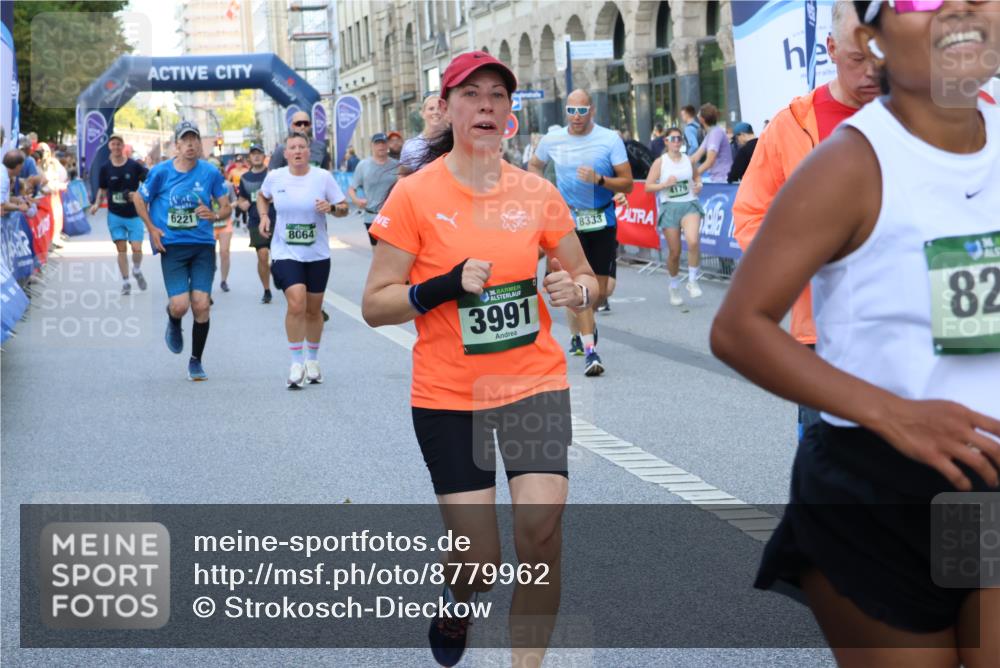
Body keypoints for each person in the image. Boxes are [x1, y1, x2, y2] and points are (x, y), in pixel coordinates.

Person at [711, 2, 1000, 666]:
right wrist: (894, 415)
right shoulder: (851, 163)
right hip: (878, 494)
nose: (957, 6)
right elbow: (737, 327)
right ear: (872, 38)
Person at [362, 51, 598, 668]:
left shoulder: (537, 193)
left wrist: (580, 291)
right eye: (472, 94)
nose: (487, 105)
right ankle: (457, 601)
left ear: (510, 115)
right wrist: (445, 285)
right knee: (479, 558)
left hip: (533, 384)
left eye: (498, 96)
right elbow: (376, 304)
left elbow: (585, 275)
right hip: (449, 395)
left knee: (542, 533)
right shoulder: (414, 195)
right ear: (447, 108)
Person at [733, 0, 880, 438]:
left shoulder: (921, 117)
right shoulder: (791, 125)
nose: (870, 71)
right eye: (857, 58)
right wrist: (803, 262)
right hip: (822, 330)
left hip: (912, 326)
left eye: (879, 56)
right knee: (829, 469)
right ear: (831, 49)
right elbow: (750, 215)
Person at [529, 89, 634, 376]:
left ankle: (582, 325)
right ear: (566, 112)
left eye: (582, 110)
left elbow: (627, 184)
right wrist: (546, 193)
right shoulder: (553, 139)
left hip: (602, 219)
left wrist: (600, 179)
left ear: (592, 111)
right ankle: (591, 350)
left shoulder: (609, 139)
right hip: (567, 221)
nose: (576, 117)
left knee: (601, 290)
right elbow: (535, 165)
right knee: (579, 281)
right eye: (571, 111)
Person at [134, 121, 231, 381]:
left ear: (200, 144)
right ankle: (174, 321)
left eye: (195, 140)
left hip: (202, 246)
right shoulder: (161, 172)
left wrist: (214, 214)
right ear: (176, 145)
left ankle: (196, 361)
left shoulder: (210, 173)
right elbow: (138, 198)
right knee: (180, 306)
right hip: (173, 246)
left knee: (201, 305)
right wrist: (152, 228)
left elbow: (226, 207)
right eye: (185, 140)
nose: (191, 144)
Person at [258, 132, 348, 388]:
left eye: (302, 147)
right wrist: (264, 216)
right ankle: (296, 362)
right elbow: (262, 196)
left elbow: (344, 208)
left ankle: (313, 359)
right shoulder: (276, 177)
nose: (297, 151)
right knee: (296, 302)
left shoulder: (323, 178)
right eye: (292, 148)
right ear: (285, 154)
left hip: (317, 254)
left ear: (309, 151)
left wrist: (331, 208)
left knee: (313, 310)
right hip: (285, 252)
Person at [646, 127, 704, 306]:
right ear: (666, 141)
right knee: (675, 252)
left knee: (693, 241)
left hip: (689, 204)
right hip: (670, 206)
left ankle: (692, 281)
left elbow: (697, 177)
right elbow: (648, 186)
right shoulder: (660, 162)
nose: (677, 141)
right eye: (673, 138)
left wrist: (699, 185)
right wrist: (664, 184)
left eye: (680, 138)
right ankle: (674, 285)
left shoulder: (688, 160)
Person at [89, 133, 149, 295]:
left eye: (119, 144)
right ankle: (126, 281)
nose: (116, 147)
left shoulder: (133, 166)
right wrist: (96, 204)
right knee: (121, 249)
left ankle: (136, 270)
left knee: (137, 248)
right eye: (113, 144)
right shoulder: (105, 168)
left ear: (123, 146)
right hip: (115, 214)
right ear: (109, 146)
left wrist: (140, 195)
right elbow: (102, 189)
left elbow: (148, 180)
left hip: (134, 213)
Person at [236, 143, 275, 303]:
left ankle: (282, 279)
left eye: (259, 153)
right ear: (249, 158)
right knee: (262, 255)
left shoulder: (272, 175)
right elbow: (241, 199)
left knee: (280, 258)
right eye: (254, 154)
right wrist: (242, 204)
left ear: (264, 156)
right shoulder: (245, 178)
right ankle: (267, 290)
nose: (257, 156)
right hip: (255, 220)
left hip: (276, 219)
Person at [347, 133, 399, 246]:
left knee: (392, 252)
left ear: (387, 145)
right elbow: (351, 189)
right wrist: (356, 201)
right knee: (377, 253)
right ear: (372, 146)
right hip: (372, 217)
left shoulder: (396, 165)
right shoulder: (363, 165)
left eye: (383, 143)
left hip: (392, 217)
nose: (381, 146)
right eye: (377, 143)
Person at [398, 94, 447, 175]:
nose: (436, 112)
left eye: (439, 108)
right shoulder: (411, 146)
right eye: (431, 109)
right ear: (423, 113)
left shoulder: (455, 141)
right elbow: (402, 176)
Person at [207, 158, 236, 293]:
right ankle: (209, 278)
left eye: (217, 169)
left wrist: (226, 208)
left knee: (224, 252)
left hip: (225, 222)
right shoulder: (203, 185)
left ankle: (224, 280)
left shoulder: (228, 185)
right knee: (209, 255)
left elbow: (235, 201)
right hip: (209, 224)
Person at [689, 103, 733, 184]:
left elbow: (709, 161)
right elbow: (695, 157)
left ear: (702, 119)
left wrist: (691, 176)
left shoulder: (715, 133)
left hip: (722, 179)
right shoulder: (711, 133)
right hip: (716, 178)